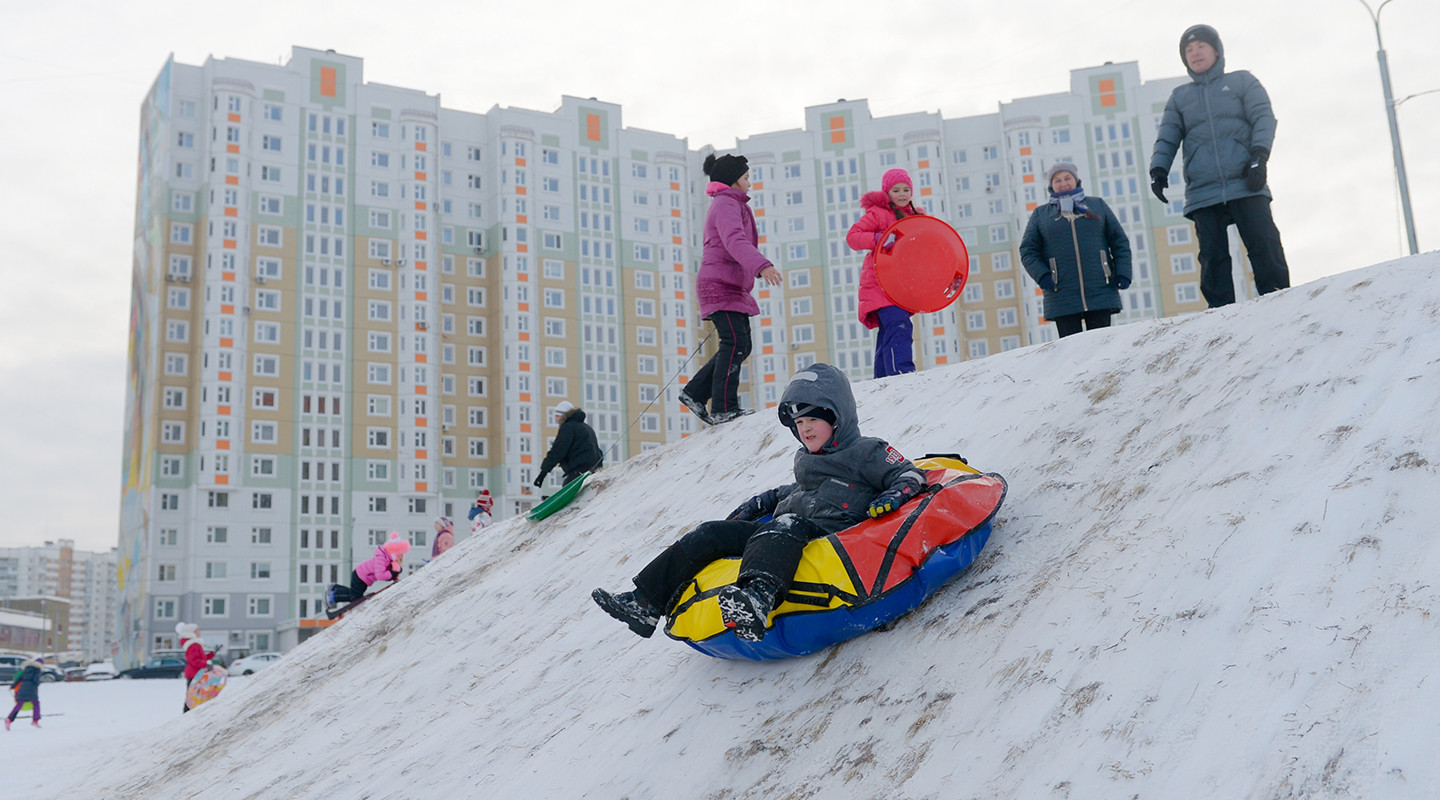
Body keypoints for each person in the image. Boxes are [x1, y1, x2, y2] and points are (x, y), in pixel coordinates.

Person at [592, 362, 927, 642]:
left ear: (837, 417)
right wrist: (765, 500)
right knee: (711, 533)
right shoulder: (807, 459)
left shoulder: (865, 451)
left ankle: (758, 597)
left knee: (784, 525)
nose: (805, 429)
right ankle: (645, 602)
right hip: (786, 530)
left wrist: (892, 497)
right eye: (798, 423)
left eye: (812, 420)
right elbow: (803, 492)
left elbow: (908, 475)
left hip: (824, 535)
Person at [1149, 23, 1291, 308]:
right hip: (1203, 188)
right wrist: (1158, 170)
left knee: (1264, 242)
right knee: (1212, 256)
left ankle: (1280, 300)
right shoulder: (1180, 97)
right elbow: (1167, 136)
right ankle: (1219, 314)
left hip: (1245, 178)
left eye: (1201, 46)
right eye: (1188, 50)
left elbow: (1263, 117)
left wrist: (1258, 158)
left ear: (1216, 50)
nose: (1195, 53)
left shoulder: (1241, 81)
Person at [678, 153, 783, 426]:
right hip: (719, 284)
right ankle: (724, 407)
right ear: (733, 180)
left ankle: (694, 393)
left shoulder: (732, 203)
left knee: (739, 343)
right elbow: (734, 240)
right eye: (746, 177)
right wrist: (762, 266)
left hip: (728, 283)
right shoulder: (725, 203)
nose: (750, 182)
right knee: (735, 343)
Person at [1020, 162, 1133, 338]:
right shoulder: (1041, 215)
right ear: (1051, 185)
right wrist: (1043, 275)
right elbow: (1028, 250)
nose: (1063, 183)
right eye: (1057, 180)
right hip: (1061, 293)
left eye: (1067, 178)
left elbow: (1119, 241)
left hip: (1100, 289)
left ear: (1076, 180)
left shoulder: (1097, 206)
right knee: (1071, 352)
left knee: (1101, 346)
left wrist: (1123, 272)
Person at [848, 168, 926, 377]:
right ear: (887, 192)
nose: (902, 194)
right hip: (879, 282)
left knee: (888, 333)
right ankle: (901, 373)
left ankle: (882, 380)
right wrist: (879, 239)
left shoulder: (915, 218)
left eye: (906, 189)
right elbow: (853, 236)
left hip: (899, 285)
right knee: (899, 325)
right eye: (896, 190)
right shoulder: (878, 214)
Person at [324, 532, 409, 612]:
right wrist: (392, 573)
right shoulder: (382, 558)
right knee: (355, 599)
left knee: (355, 595)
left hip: (364, 578)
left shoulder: (388, 559)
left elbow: (390, 574)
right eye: (400, 555)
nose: (401, 557)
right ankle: (331, 596)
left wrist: (395, 575)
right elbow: (380, 575)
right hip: (360, 575)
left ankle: (335, 588)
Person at [534, 400, 603, 490]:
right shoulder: (587, 428)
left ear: (564, 416)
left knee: (568, 489)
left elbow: (557, 451)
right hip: (594, 471)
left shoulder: (568, 428)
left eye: (558, 416)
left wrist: (542, 474)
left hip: (578, 472)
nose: (556, 419)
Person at [177, 623, 218, 714]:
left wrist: (212, 654)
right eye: (197, 630)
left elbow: (201, 658)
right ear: (191, 632)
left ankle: (192, 711)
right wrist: (205, 665)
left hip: (196, 673)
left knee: (195, 694)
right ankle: (187, 713)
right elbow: (194, 660)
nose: (199, 632)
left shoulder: (195, 644)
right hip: (194, 674)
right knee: (192, 695)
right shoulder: (193, 645)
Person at [6, 656, 43, 729]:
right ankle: (35, 720)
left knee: (19, 705)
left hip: (22, 690)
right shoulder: (37, 671)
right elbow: (36, 681)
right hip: (31, 690)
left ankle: (9, 719)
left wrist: (12, 686)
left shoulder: (26, 670)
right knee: (36, 703)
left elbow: (18, 679)